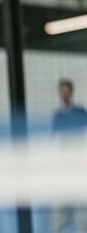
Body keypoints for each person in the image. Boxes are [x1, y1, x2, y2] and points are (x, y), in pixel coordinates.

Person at [51, 78, 87, 233]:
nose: (65, 93)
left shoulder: (81, 112)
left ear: (71, 91)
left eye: (67, 90)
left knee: (82, 209)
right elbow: (54, 140)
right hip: (63, 169)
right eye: (62, 90)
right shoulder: (57, 116)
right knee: (59, 209)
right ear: (59, 93)